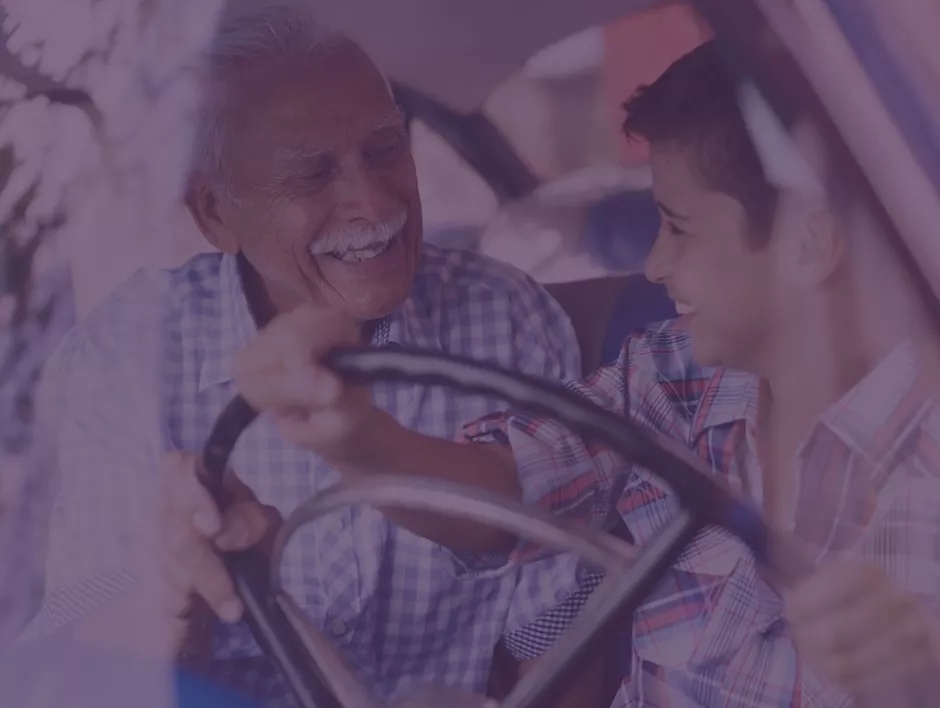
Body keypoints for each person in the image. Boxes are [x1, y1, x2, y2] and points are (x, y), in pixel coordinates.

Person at [225, 42, 940, 706]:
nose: (655, 265)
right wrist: (356, 435)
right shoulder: (669, 379)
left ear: (809, 243)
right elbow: (499, 491)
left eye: (678, 227)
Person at [20, 2, 604, 706]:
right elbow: (87, 669)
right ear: (214, 214)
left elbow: (563, 639)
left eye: (386, 149)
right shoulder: (125, 356)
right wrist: (170, 592)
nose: (372, 200)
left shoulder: (507, 317)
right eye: (312, 175)